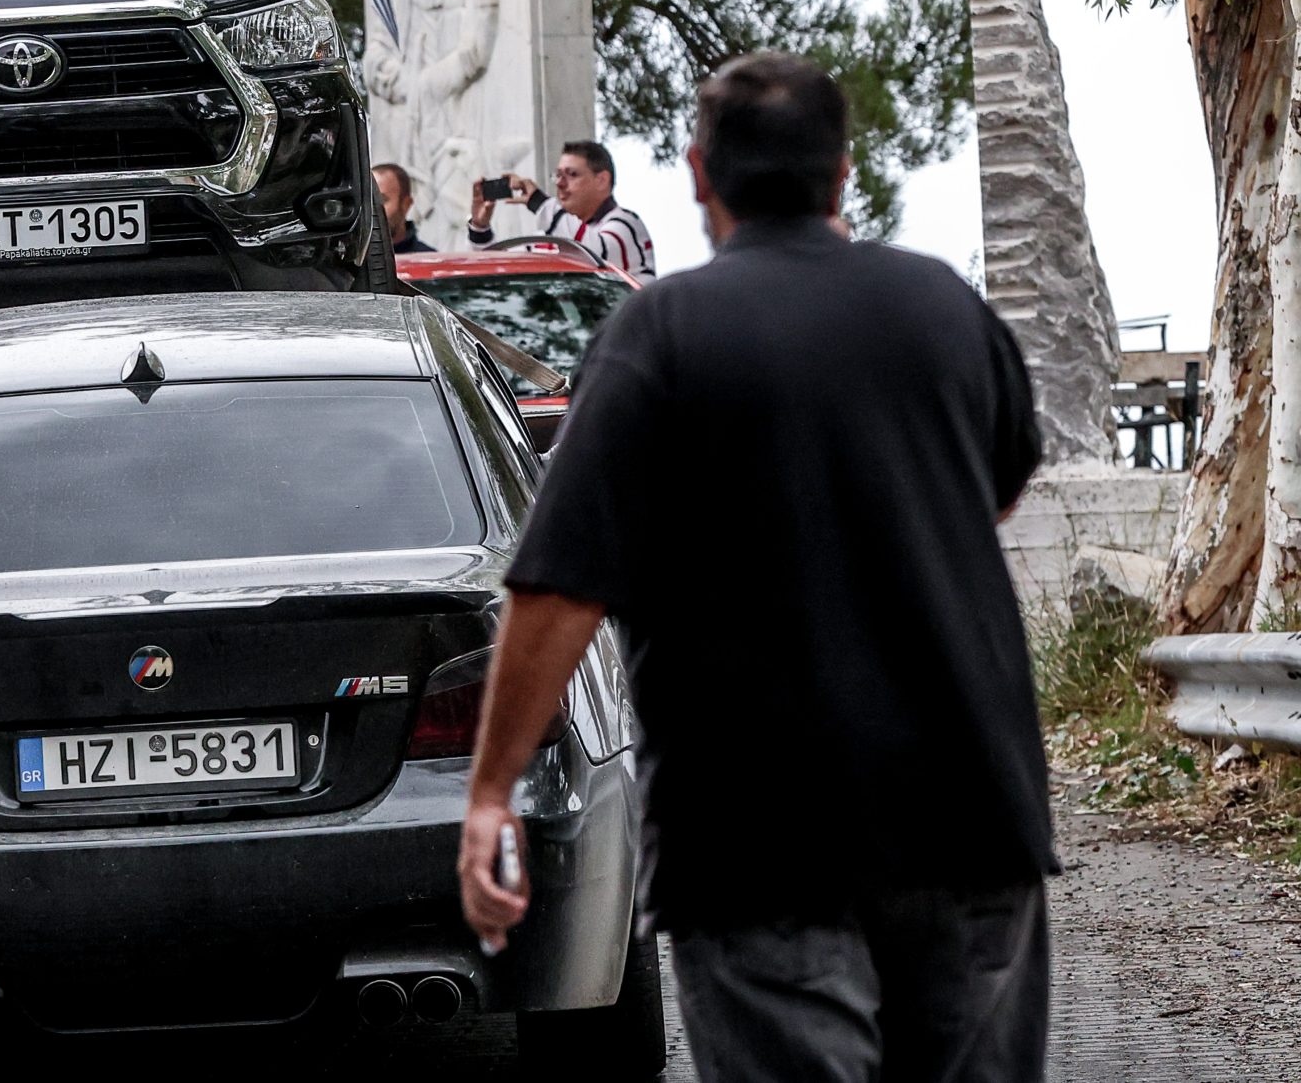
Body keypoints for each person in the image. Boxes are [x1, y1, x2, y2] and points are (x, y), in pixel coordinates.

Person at [457, 53, 1051, 1083]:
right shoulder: (945, 308)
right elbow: (994, 491)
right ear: (843, 171)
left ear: (698, 173)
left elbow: (558, 587)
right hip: (969, 818)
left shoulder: (657, 336)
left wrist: (490, 793)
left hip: (755, 840)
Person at [467, 138, 653, 277]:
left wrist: (539, 203)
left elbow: (597, 254)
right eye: (557, 175)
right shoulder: (556, 237)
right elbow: (497, 271)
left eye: (571, 174)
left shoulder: (626, 225)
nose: (560, 183)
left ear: (602, 180)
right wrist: (480, 229)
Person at [372, 163, 434, 254]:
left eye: (381, 200)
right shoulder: (353, 259)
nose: (372, 209)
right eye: (367, 201)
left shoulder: (427, 258)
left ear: (406, 204)